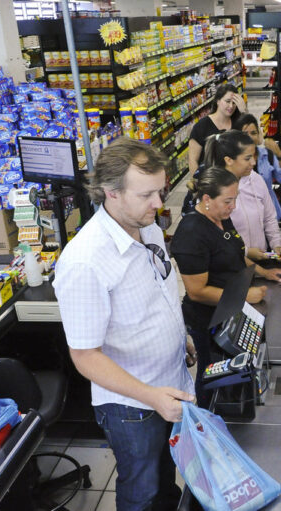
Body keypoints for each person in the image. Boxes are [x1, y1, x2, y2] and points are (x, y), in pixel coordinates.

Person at [53, 139, 195, 511]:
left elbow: (154, 292)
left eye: (160, 191)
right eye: (147, 194)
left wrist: (181, 336)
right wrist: (151, 398)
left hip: (168, 383)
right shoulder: (85, 262)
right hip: (132, 406)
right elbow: (84, 356)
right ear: (110, 193)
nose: (158, 203)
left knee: (165, 476)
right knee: (141, 489)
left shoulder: (143, 224)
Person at [170, 167, 281, 405]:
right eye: (228, 200)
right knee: (212, 375)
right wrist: (244, 296)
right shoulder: (192, 233)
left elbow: (236, 254)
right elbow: (197, 291)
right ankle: (207, 422)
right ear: (206, 199)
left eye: (234, 199)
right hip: (208, 320)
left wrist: (264, 272)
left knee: (235, 376)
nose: (233, 206)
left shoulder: (221, 219)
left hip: (231, 313)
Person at [204, 130, 281, 262]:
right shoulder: (213, 190)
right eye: (247, 158)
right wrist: (246, 252)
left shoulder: (256, 180)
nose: (253, 163)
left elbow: (269, 217)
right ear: (229, 160)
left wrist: (276, 243)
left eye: (254, 156)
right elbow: (214, 236)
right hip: (230, 265)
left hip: (261, 260)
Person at [233, 113, 281, 220]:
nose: (250, 137)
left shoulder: (267, 155)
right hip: (243, 217)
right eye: (245, 133)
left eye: (253, 133)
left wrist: (279, 154)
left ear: (258, 135)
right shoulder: (232, 160)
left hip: (268, 216)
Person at [188, 83, 246, 173]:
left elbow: (257, 140)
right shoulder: (202, 126)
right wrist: (198, 183)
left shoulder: (238, 123)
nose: (231, 106)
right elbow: (192, 160)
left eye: (234, 103)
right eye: (227, 101)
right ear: (218, 101)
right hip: (210, 181)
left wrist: (244, 112)